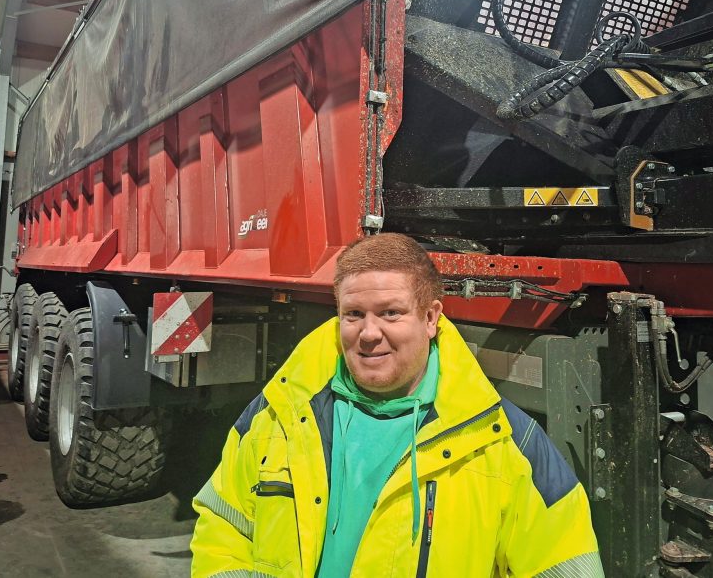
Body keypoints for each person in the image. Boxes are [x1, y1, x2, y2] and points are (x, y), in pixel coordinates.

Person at [190, 233, 603, 577]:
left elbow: (565, 563)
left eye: (390, 313)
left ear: (430, 317)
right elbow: (223, 530)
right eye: (353, 314)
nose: (369, 333)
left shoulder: (506, 444)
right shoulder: (277, 414)